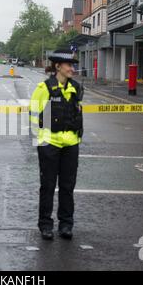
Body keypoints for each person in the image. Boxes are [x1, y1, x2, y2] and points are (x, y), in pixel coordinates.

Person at [29, 49, 84, 240]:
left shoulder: (75, 88)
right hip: (49, 144)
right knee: (48, 186)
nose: (72, 68)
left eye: (72, 65)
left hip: (71, 145)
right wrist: (40, 142)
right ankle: (45, 224)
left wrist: (78, 138)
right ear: (58, 67)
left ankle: (66, 225)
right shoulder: (44, 89)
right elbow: (34, 116)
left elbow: (77, 114)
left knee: (68, 187)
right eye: (69, 65)